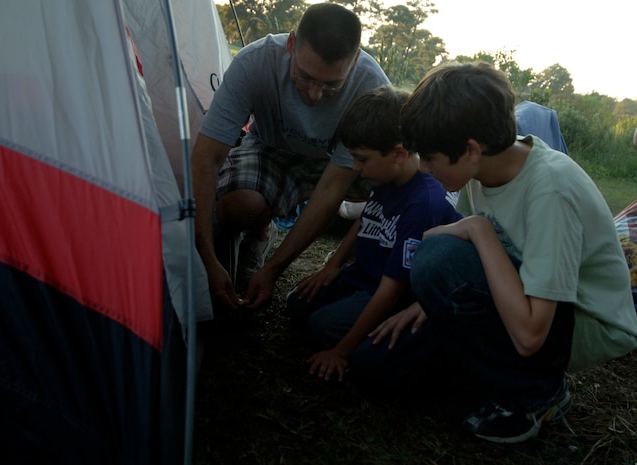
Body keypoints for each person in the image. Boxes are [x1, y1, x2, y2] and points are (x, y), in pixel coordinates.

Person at [362, 62, 637, 443]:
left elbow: (529, 335)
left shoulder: (549, 190)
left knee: (436, 258)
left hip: (580, 320)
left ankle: (537, 393)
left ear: (472, 150)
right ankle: (487, 376)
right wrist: (427, 305)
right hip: (525, 293)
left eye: (429, 157)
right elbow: (467, 262)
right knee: (379, 367)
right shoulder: (483, 172)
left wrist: (479, 228)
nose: (423, 168)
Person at [191, 3, 390, 315]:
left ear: (354, 61)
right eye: (305, 77)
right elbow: (206, 158)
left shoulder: (371, 85)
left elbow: (330, 190)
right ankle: (261, 230)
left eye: (331, 86)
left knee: (388, 181)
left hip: (334, 163)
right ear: (291, 44)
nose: (314, 95)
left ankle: (345, 263)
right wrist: (206, 256)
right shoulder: (255, 62)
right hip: (271, 148)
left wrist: (273, 270)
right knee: (238, 206)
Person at [286, 85, 462, 382]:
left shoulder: (423, 202)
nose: (355, 167)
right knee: (297, 303)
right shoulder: (387, 178)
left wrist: (340, 352)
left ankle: (421, 351)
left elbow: (392, 289)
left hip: (392, 294)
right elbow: (366, 220)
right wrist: (333, 265)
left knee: (322, 326)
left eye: (362, 159)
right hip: (364, 278)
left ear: (398, 154)